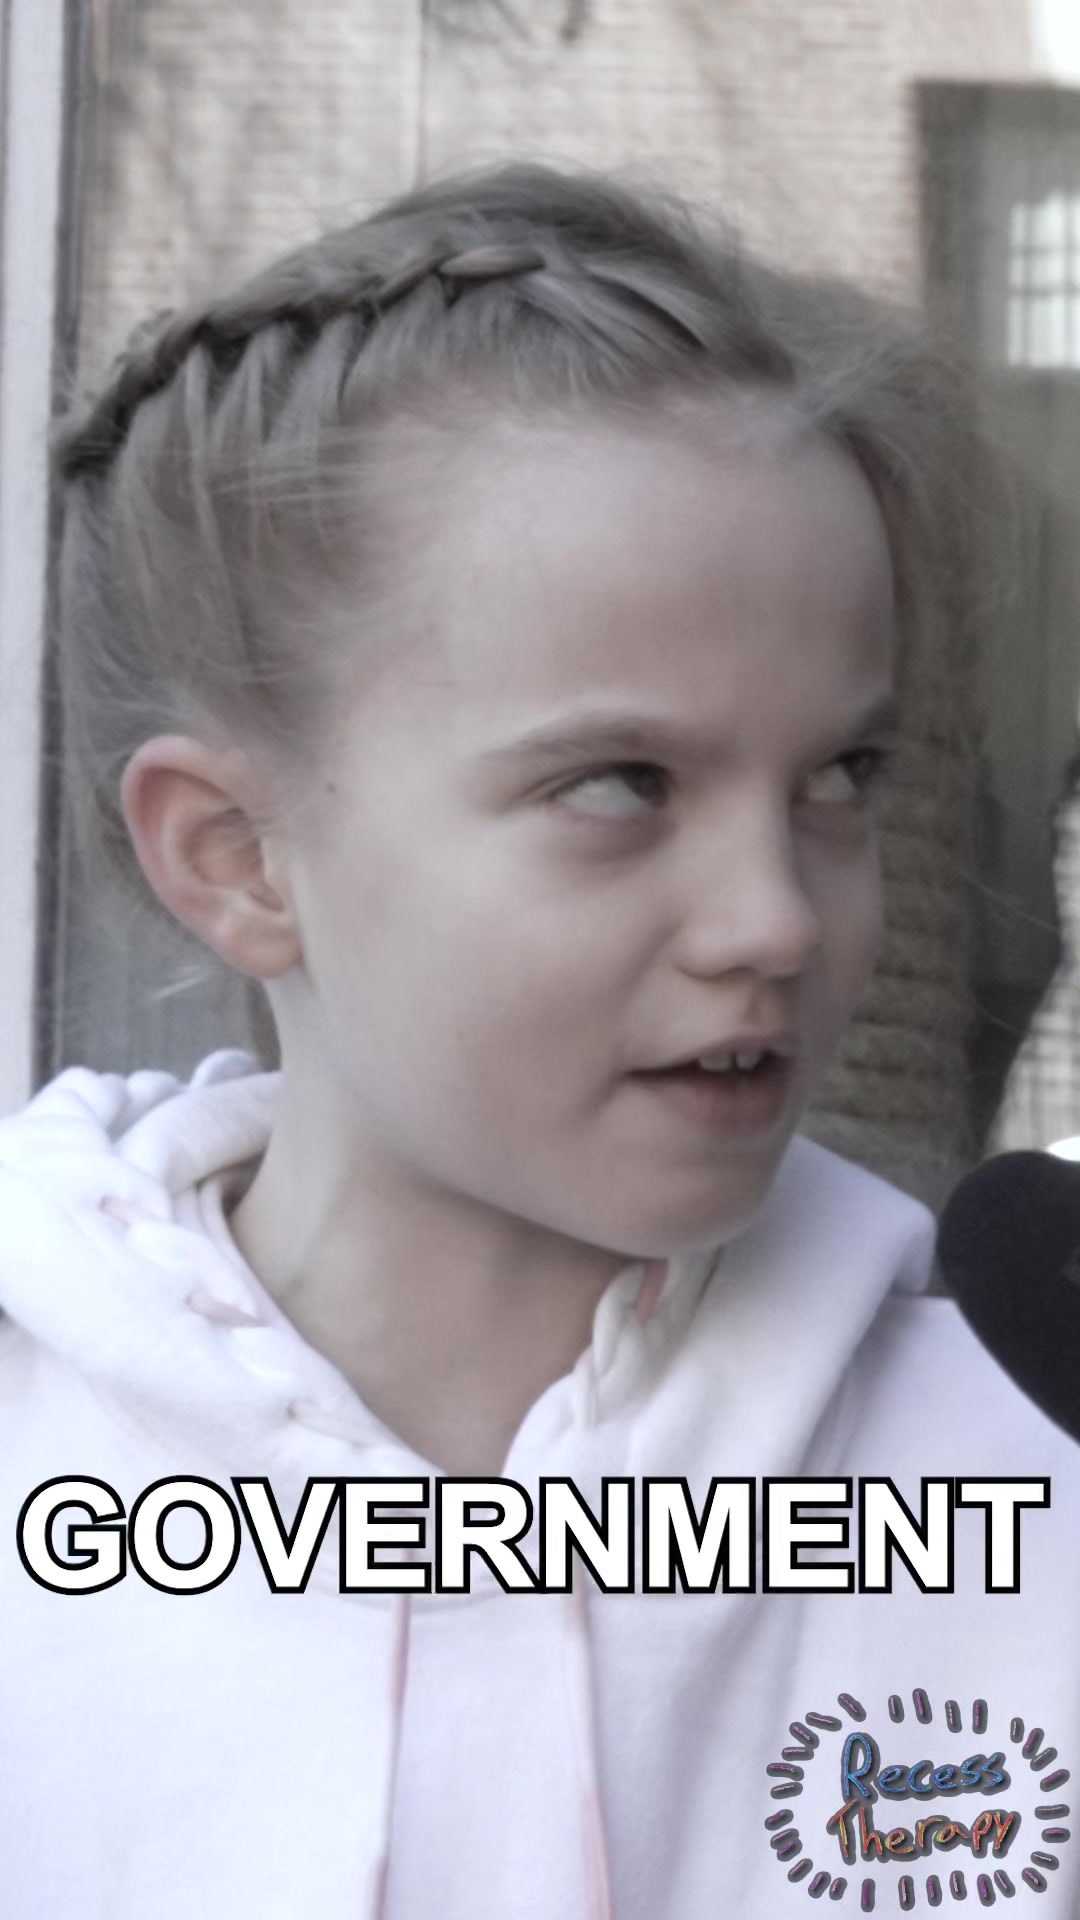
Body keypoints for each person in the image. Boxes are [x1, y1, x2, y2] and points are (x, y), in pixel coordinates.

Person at [0, 159, 1076, 1920]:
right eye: (620, 784)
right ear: (238, 856)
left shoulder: (1026, 1455)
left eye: (841, 777)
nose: (778, 919)